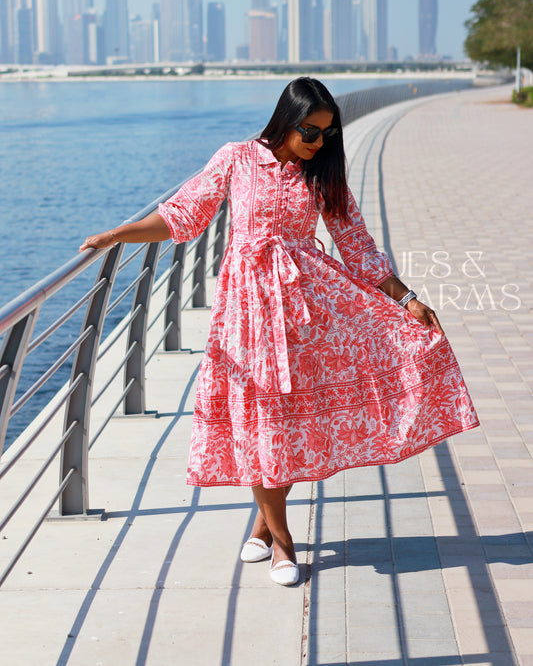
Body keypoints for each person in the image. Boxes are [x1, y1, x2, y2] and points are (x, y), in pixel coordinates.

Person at [80, 77, 479, 587]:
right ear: (285, 121)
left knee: (287, 422)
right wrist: (119, 234)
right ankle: (284, 541)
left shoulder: (320, 176)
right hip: (245, 313)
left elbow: (354, 242)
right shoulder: (237, 158)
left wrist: (406, 299)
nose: (317, 143)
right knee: (258, 417)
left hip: (305, 311)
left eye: (326, 135)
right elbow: (183, 217)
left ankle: (263, 527)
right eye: (309, 132)